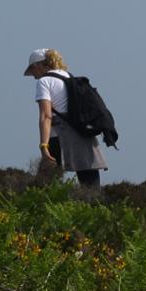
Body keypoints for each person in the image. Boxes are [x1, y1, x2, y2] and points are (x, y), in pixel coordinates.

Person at [23, 48, 106, 188]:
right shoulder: (70, 77)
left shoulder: (44, 82)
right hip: (84, 134)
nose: (34, 76)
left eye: (32, 71)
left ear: (37, 65)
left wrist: (44, 146)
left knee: (43, 186)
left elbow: (46, 115)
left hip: (59, 137)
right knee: (91, 188)